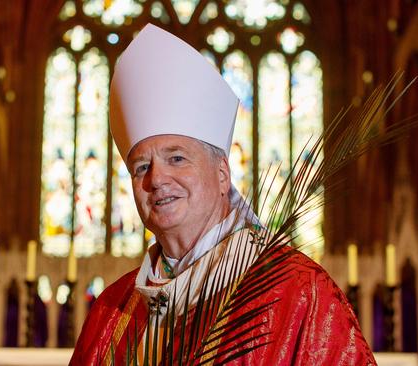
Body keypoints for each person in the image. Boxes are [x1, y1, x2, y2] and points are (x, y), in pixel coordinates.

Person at [70, 24, 375, 365]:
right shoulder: (111, 311)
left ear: (222, 175)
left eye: (177, 158)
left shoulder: (300, 292)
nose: (157, 179)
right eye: (142, 167)